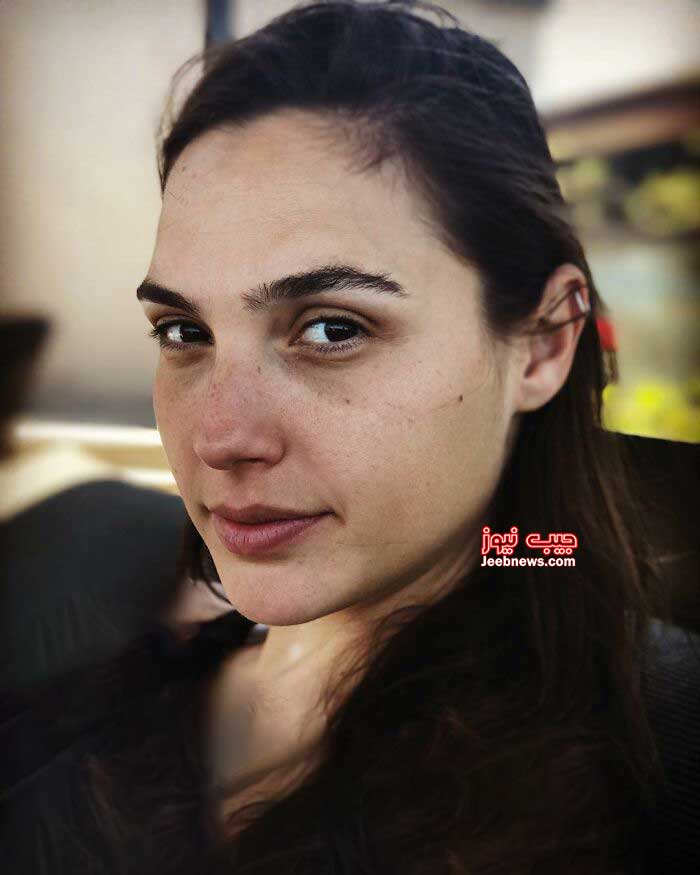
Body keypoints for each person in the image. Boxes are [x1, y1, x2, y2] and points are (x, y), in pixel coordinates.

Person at [2, 2, 699, 873]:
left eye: (332, 329)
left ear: (546, 342)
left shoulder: (664, 757)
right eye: (184, 332)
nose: (219, 437)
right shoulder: (60, 736)